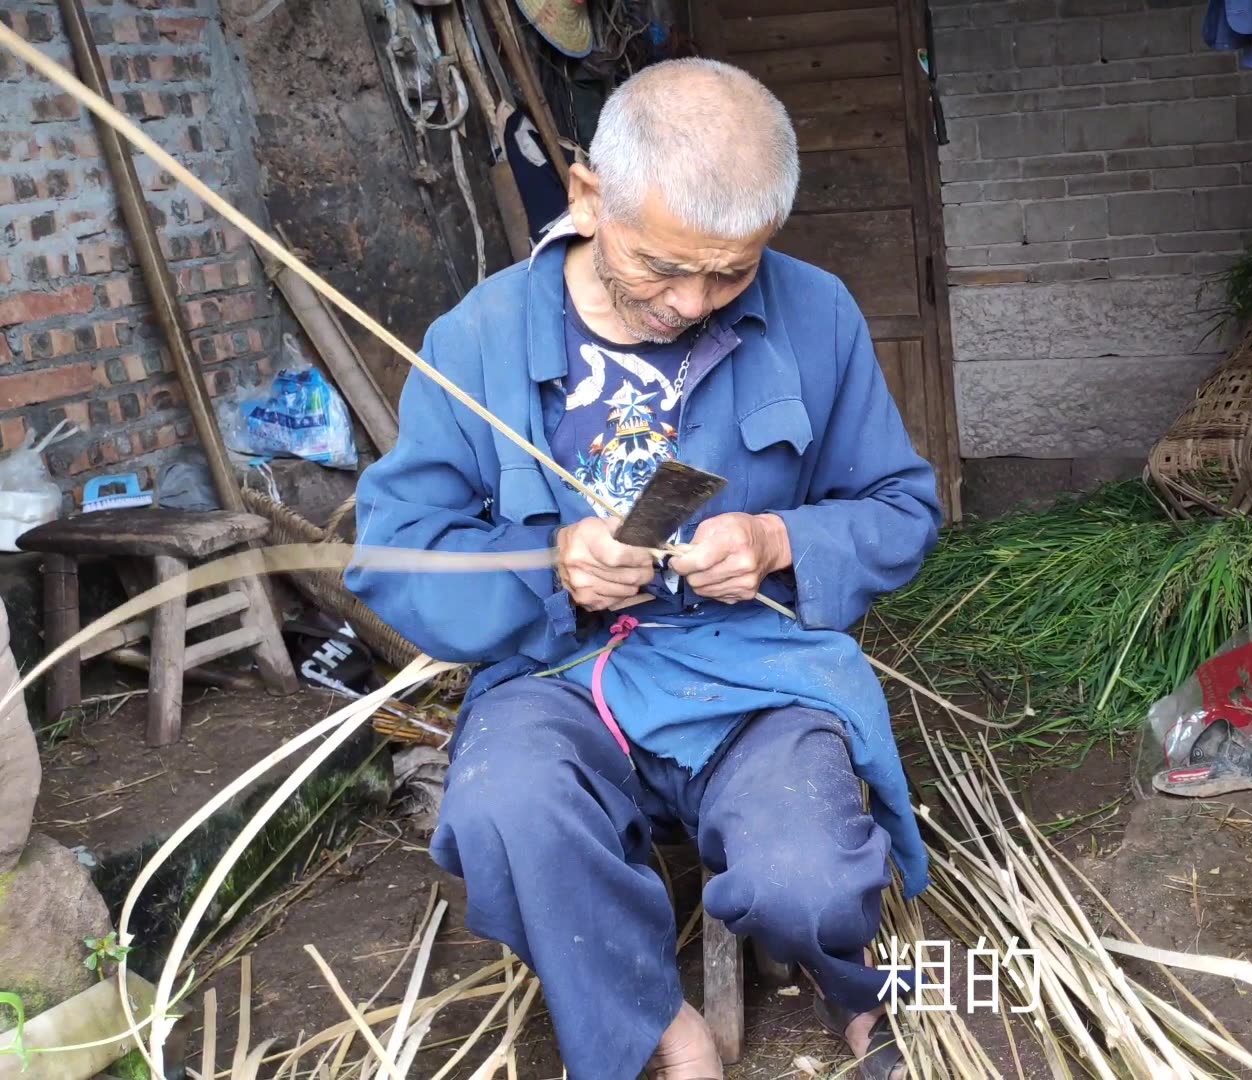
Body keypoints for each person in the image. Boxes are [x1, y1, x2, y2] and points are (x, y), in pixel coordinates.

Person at [344, 57, 939, 1080]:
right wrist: (545, 566)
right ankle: (661, 1029)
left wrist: (780, 543)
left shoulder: (818, 315)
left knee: (808, 876)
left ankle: (849, 980)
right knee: (501, 808)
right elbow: (396, 560)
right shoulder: (476, 337)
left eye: (731, 271)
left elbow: (901, 510)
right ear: (588, 194)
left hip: (750, 674)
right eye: (661, 265)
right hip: (557, 682)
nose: (691, 301)